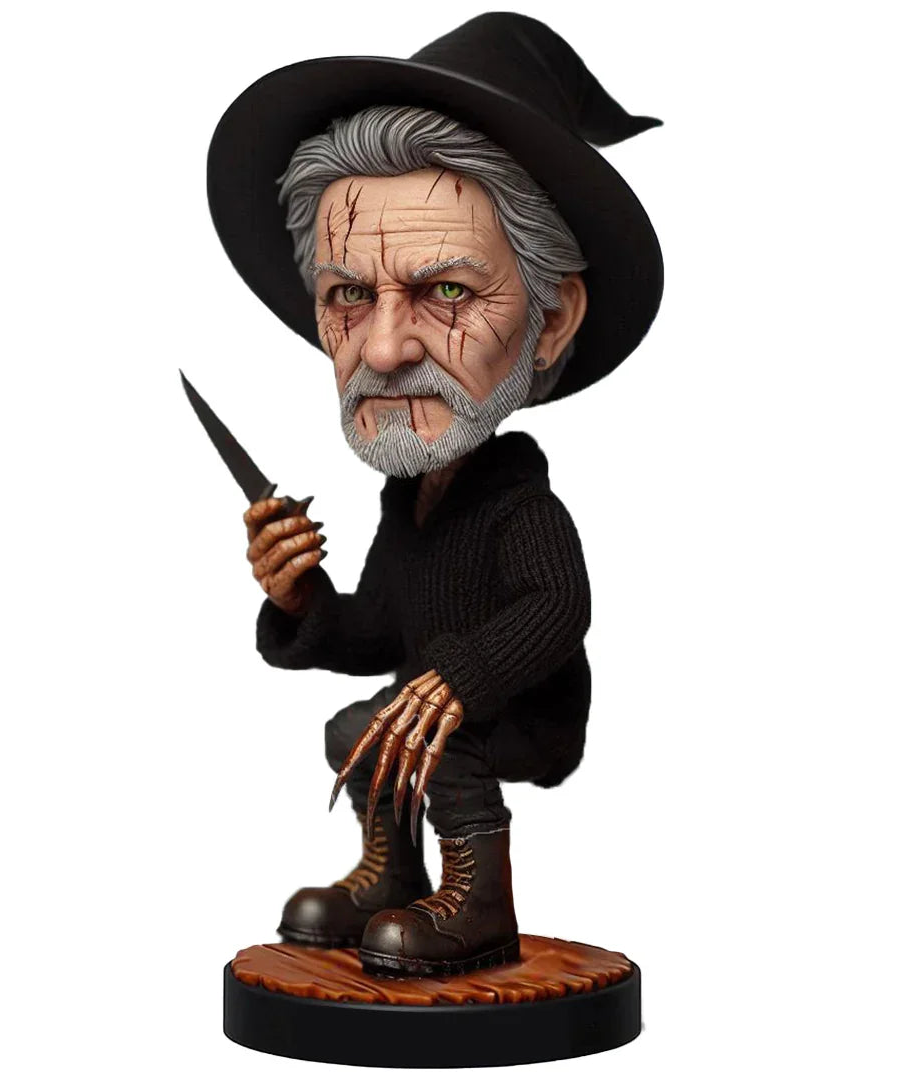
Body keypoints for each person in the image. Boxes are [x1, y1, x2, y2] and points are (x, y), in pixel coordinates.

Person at [207, 12, 663, 976]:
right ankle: (392, 874)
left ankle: (478, 901)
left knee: (430, 735)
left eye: (446, 292)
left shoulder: (519, 506)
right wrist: (302, 601)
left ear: (550, 320)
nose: (381, 350)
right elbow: (382, 630)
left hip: (518, 712)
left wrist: (457, 679)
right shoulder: (409, 504)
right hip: (442, 697)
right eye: (349, 295)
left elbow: (559, 608)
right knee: (353, 728)